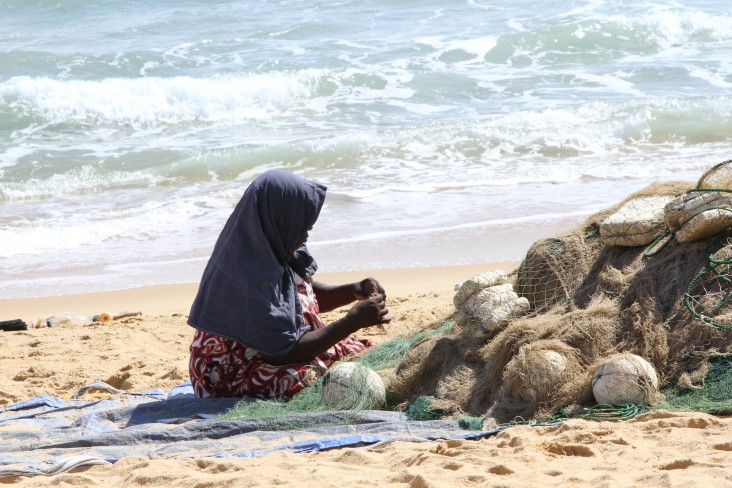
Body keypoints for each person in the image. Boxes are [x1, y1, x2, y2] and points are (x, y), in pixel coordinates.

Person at [187, 169, 391, 399]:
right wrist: (351, 322)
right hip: (232, 372)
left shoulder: (274, 242)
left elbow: (301, 295)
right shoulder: (248, 275)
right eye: (301, 227)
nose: (305, 234)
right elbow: (281, 353)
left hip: (277, 349)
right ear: (278, 219)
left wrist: (353, 290)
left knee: (358, 351)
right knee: (310, 380)